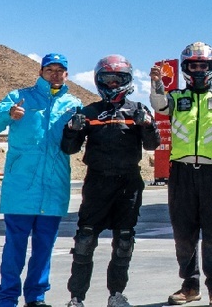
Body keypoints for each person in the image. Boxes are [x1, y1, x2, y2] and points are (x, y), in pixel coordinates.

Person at [149, 42, 212, 307]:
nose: (198, 70)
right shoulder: (176, 97)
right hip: (181, 173)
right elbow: (160, 106)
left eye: (203, 65)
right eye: (193, 65)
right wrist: (157, 84)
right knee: (184, 234)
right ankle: (190, 286)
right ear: (185, 68)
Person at [0, 53, 83, 307]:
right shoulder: (20, 97)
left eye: (60, 70)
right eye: (50, 70)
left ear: (66, 75)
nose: (55, 74)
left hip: (54, 187)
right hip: (21, 187)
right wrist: (8, 113)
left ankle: (36, 297)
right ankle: (7, 298)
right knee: (14, 246)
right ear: (40, 72)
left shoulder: (73, 104)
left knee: (45, 247)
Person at [62, 55, 160, 307]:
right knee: (84, 240)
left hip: (128, 184)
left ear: (128, 80)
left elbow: (152, 145)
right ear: (99, 81)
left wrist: (148, 125)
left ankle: (116, 294)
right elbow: (69, 149)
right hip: (97, 183)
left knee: (124, 240)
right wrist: (71, 130)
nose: (113, 84)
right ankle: (76, 298)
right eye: (108, 79)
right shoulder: (89, 112)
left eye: (118, 79)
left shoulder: (137, 109)